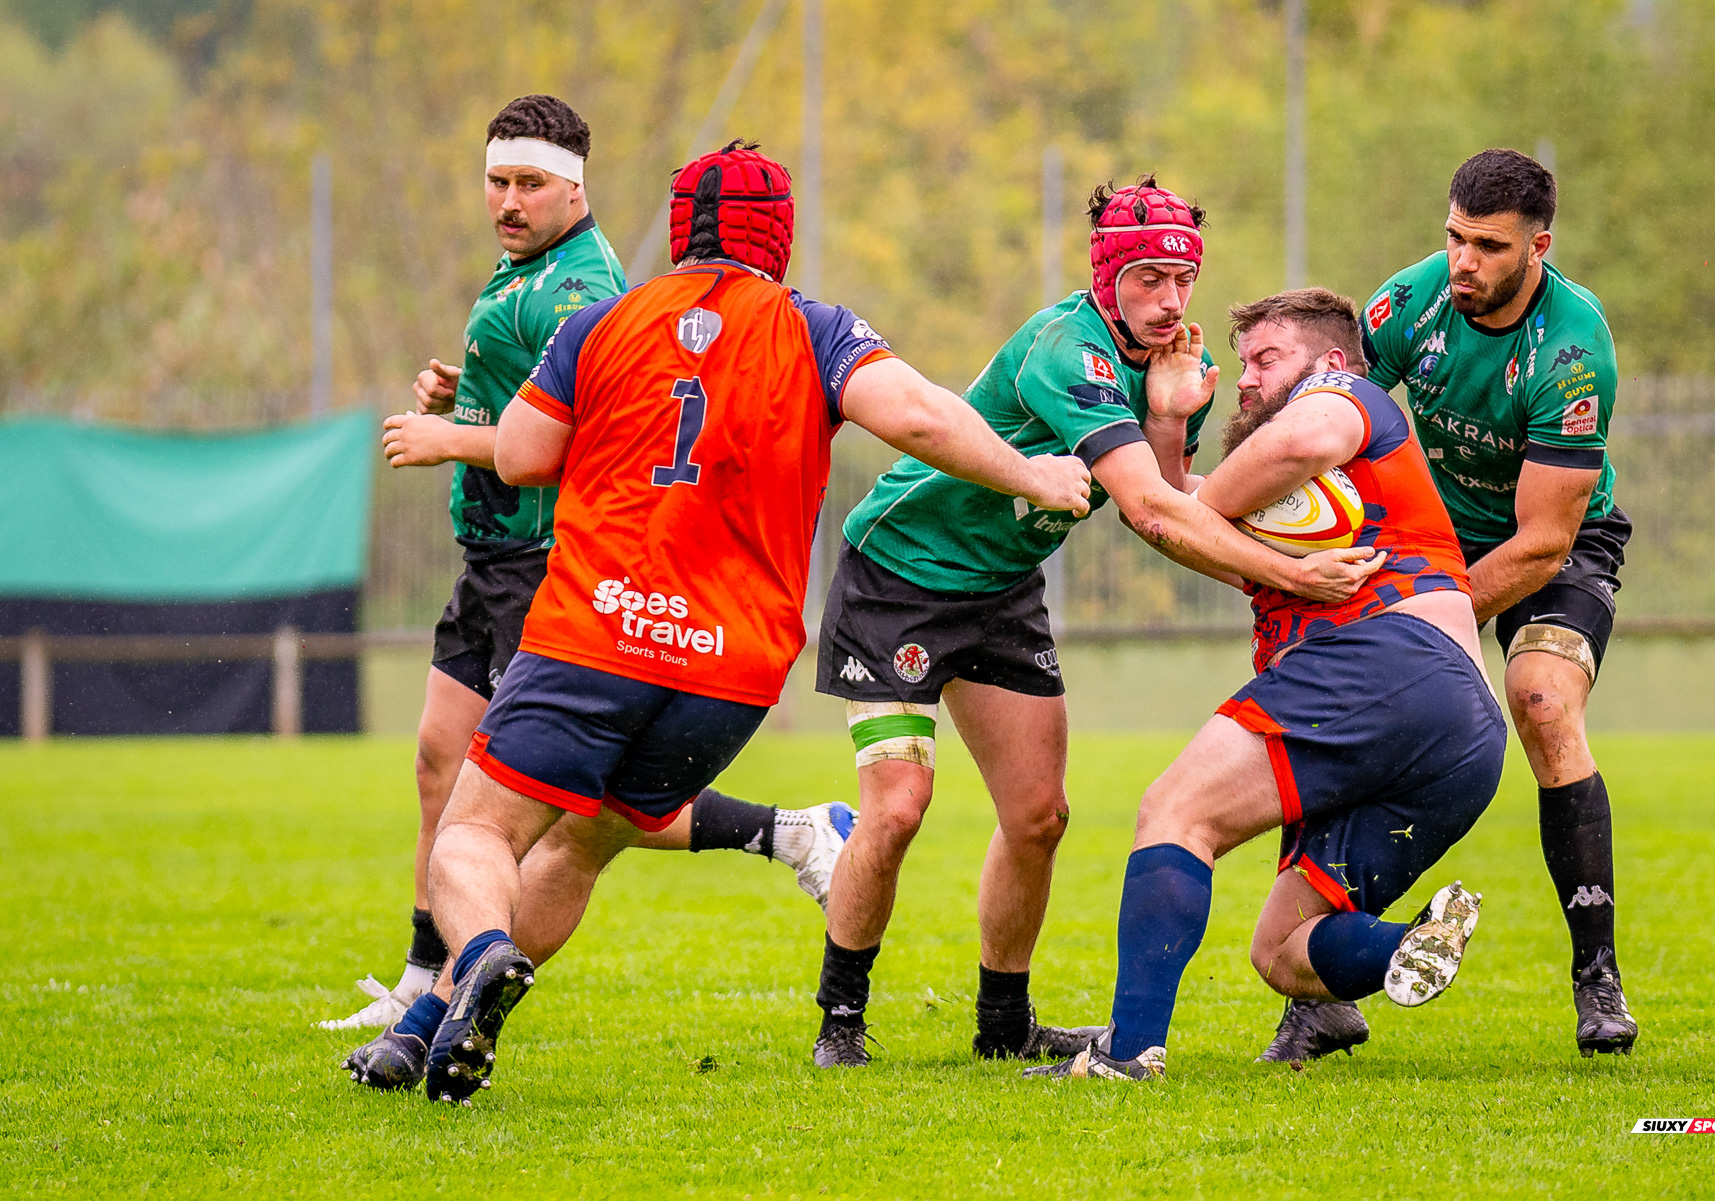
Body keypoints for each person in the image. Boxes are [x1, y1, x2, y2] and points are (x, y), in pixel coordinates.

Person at [342, 140, 1096, 1102]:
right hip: (728, 669)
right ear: (779, 234)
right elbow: (915, 417)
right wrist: (1033, 472)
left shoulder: (605, 322)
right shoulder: (814, 329)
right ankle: (423, 1030)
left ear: (680, 224)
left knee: (473, 832)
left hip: (596, 632)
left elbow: (528, 453)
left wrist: (479, 415)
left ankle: (483, 952)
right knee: (581, 842)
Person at [804, 180, 1385, 1068]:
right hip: (899, 581)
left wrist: (1167, 417)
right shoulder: (1066, 352)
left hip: (1001, 589)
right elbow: (1153, 511)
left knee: (1039, 816)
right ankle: (840, 1019)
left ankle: (1003, 1025)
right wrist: (1292, 574)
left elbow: (1156, 498)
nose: (1171, 300)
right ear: (1109, 272)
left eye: (1184, 279)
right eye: (1150, 278)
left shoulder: (1144, 357)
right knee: (897, 810)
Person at [320, 99, 850, 1034]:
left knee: (563, 804)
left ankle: (792, 831)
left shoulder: (583, 292)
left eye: (529, 183)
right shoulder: (524, 270)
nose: (509, 201)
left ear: (575, 187)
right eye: (498, 181)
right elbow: (532, 394)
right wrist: (468, 390)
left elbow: (566, 441)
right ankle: (423, 978)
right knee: (444, 763)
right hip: (489, 556)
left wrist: (450, 435)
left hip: (547, 559)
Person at [1028, 289, 1505, 1081]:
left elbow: (1206, 499)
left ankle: (1125, 1055)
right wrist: (1172, 424)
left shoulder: (1343, 399)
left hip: (1384, 660)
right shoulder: (1287, 484)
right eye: (1242, 361)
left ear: (1329, 362)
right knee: (1283, 951)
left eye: (1266, 359)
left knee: (1176, 812)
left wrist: (1192, 505)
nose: (1245, 378)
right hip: (1461, 729)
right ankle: (1413, 940)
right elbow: (1174, 517)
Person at [1261, 148, 1636, 1064]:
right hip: (1433, 539)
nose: (1463, 262)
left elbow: (1544, 540)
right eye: (1454, 238)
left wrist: (1422, 612)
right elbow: (1333, 415)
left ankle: (1597, 976)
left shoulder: (1573, 352)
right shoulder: (1411, 303)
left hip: (1558, 543)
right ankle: (1319, 995)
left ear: (1538, 246)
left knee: (1544, 704)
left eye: (1489, 246)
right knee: (1329, 707)